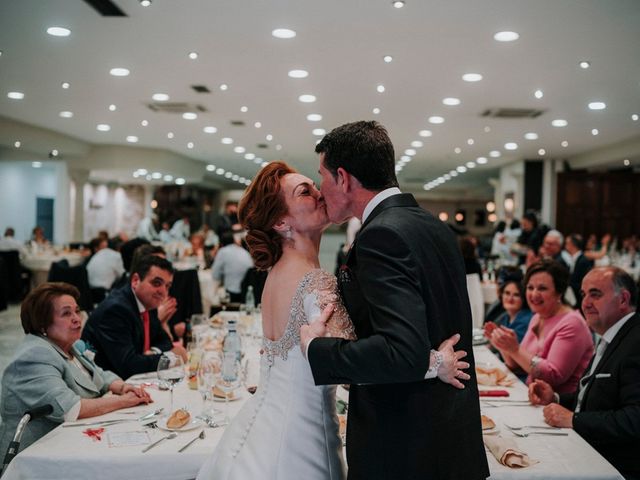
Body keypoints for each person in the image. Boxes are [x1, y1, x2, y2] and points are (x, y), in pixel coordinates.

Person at [197, 161, 466, 480]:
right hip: (300, 443)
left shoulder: (276, 275)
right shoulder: (315, 282)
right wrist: (437, 363)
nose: (318, 193)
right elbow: (358, 368)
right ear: (282, 221)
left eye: (314, 185)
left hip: (259, 430)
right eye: (304, 192)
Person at [302, 121, 488, 479]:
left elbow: (402, 352)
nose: (320, 189)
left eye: (321, 176)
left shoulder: (381, 235)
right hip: (448, 441)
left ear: (343, 178)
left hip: (402, 449)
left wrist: (319, 349)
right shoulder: (433, 226)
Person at [0, 283, 151, 455]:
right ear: (42, 324)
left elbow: (98, 375)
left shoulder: (70, 346)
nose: (77, 318)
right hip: (36, 455)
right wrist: (125, 401)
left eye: (77, 311)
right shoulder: (35, 355)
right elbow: (70, 409)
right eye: (66, 313)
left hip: (71, 441)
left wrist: (122, 387)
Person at [528, 267, 640, 480]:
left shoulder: (635, 342)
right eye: (583, 294)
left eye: (595, 294)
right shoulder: (612, 336)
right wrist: (557, 398)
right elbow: (599, 400)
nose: (585, 303)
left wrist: (575, 420)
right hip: (588, 450)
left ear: (623, 299)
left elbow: (635, 419)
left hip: (613, 467)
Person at [490, 259, 593, 393]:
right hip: (532, 395)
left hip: (559, 405)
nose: (534, 294)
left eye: (542, 288)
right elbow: (519, 366)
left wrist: (515, 349)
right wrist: (504, 346)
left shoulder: (572, 323)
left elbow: (554, 376)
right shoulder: (537, 317)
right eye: (530, 287)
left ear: (559, 292)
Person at [82, 255, 187, 379]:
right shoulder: (115, 310)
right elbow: (129, 366)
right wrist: (170, 358)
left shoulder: (148, 303)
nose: (163, 292)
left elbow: (164, 341)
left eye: (167, 286)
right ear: (135, 280)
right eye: (156, 283)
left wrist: (151, 353)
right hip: (106, 387)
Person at [484, 276, 532, 345]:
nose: (510, 298)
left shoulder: (526, 320)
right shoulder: (506, 317)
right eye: (507, 293)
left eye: (516, 295)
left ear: (523, 298)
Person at [211, 230, 254, 303]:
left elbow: (215, 275)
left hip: (233, 292)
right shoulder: (244, 251)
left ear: (221, 243)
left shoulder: (223, 251)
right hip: (248, 290)